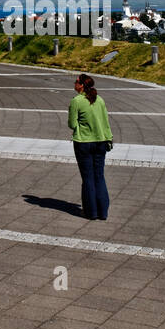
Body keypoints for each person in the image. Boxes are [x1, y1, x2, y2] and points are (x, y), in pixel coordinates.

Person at [68, 73, 113, 220]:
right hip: (101, 142)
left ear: (81, 85)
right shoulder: (99, 99)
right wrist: (109, 138)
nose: (74, 84)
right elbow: (106, 122)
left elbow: (72, 124)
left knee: (87, 178)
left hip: (83, 143)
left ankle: (91, 212)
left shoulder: (77, 101)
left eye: (75, 82)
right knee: (99, 176)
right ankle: (103, 212)